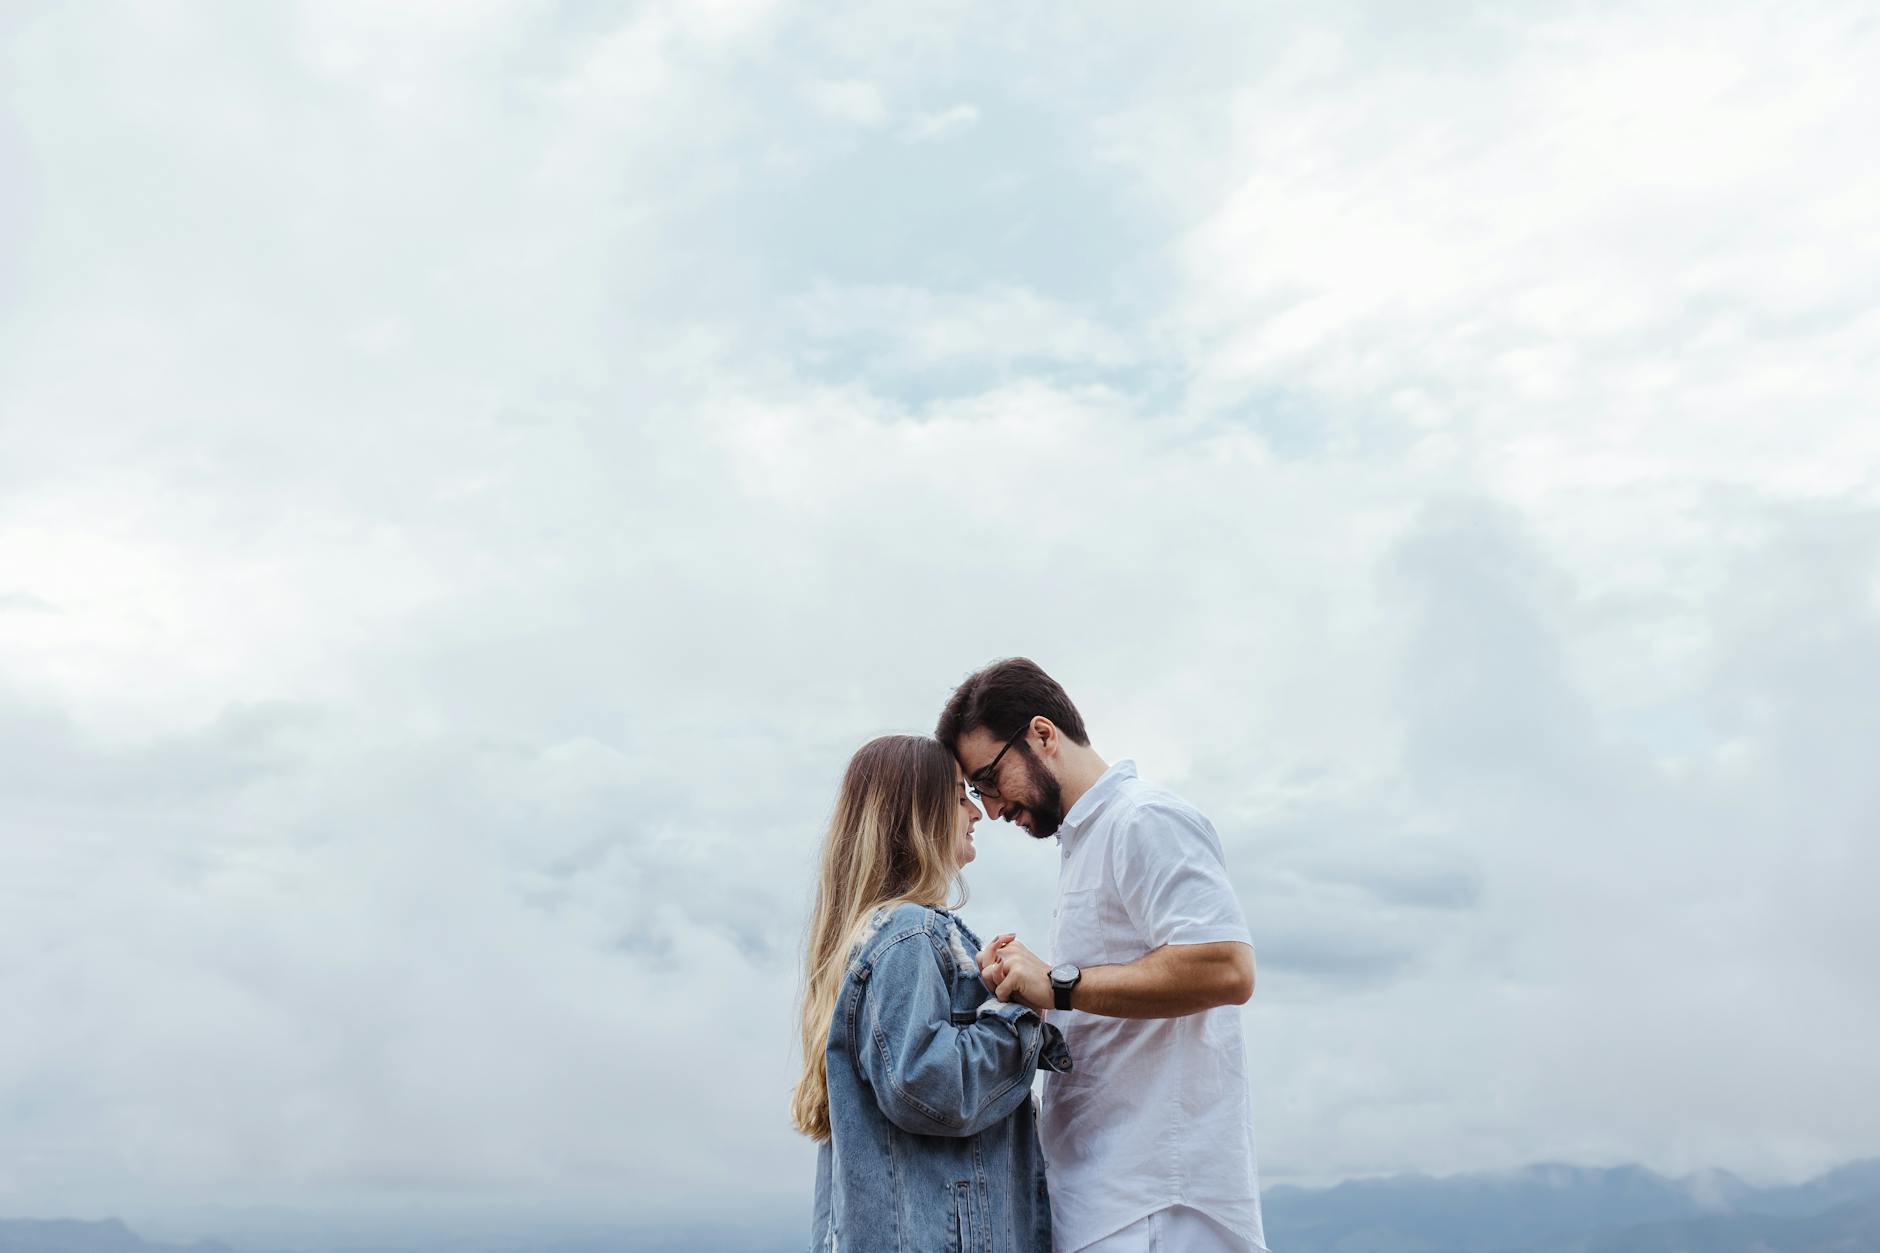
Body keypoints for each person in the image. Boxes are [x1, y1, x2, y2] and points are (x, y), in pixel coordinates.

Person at [937, 660, 1270, 1253]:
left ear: (1043, 735)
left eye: (989, 779)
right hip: (1109, 1201)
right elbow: (1101, 1000)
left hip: (1157, 1205)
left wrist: (1059, 985)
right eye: (975, 792)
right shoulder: (1087, 841)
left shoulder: (1144, 819)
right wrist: (1028, 995)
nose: (989, 809)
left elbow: (1227, 966)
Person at [793, 733, 1072, 1252]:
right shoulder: (909, 935)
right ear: (918, 813)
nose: (976, 812)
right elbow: (924, 1083)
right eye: (961, 795)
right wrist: (1013, 1013)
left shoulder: (880, 936)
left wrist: (982, 991)